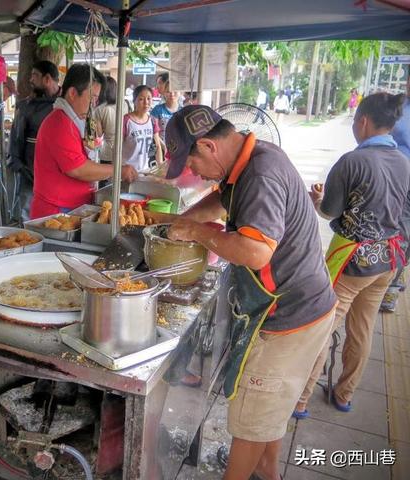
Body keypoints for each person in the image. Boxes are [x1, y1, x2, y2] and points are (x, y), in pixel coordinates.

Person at [161, 105, 336, 480]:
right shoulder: (251, 156)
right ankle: (268, 473)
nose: (192, 173)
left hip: (291, 316)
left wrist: (197, 233)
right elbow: (223, 201)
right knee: (268, 412)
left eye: (191, 163)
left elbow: (256, 252)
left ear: (208, 145)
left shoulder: (261, 173)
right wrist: (183, 219)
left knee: (252, 418)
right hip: (303, 307)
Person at [296, 92, 409, 418]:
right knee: (362, 328)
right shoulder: (404, 162)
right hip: (388, 259)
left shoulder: (352, 161)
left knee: (322, 325)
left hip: (353, 262)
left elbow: (332, 211)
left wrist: (318, 200)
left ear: (362, 121)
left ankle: (301, 399)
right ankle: (344, 394)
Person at [31, 64, 138, 219]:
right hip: (56, 213)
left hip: (74, 207)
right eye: (92, 97)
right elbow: (78, 169)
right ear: (73, 93)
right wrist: (119, 170)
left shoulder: (78, 120)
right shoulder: (60, 123)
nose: (94, 104)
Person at [9, 60, 61, 221]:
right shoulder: (26, 106)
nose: (31, 80)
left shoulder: (66, 104)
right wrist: (19, 166)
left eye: (35, 76)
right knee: (27, 216)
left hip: (58, 175)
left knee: (56, 219)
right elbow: (16, 139)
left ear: (47, 79)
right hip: (29, 175)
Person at [381, 74, 410, 312]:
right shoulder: (399, 105)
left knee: (403, 230)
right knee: (391, 226)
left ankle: (392, 283)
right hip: (392, 175)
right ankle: (390, 273)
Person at [122, 85, 163, 172]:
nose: (146, 102)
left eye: (149, 98)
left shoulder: (152, 120)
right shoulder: (126, 120)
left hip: (145, 171)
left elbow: (158, 146)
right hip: (126, 172)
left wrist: (160, 169)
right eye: (141, 99)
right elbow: (117, 147)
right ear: (134, 101)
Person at [93, 76, 119, 164]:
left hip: (107, 153)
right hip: (123, 150)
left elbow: (98, 134)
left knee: (107, 177)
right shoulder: (125, 104)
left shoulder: (99, 110)